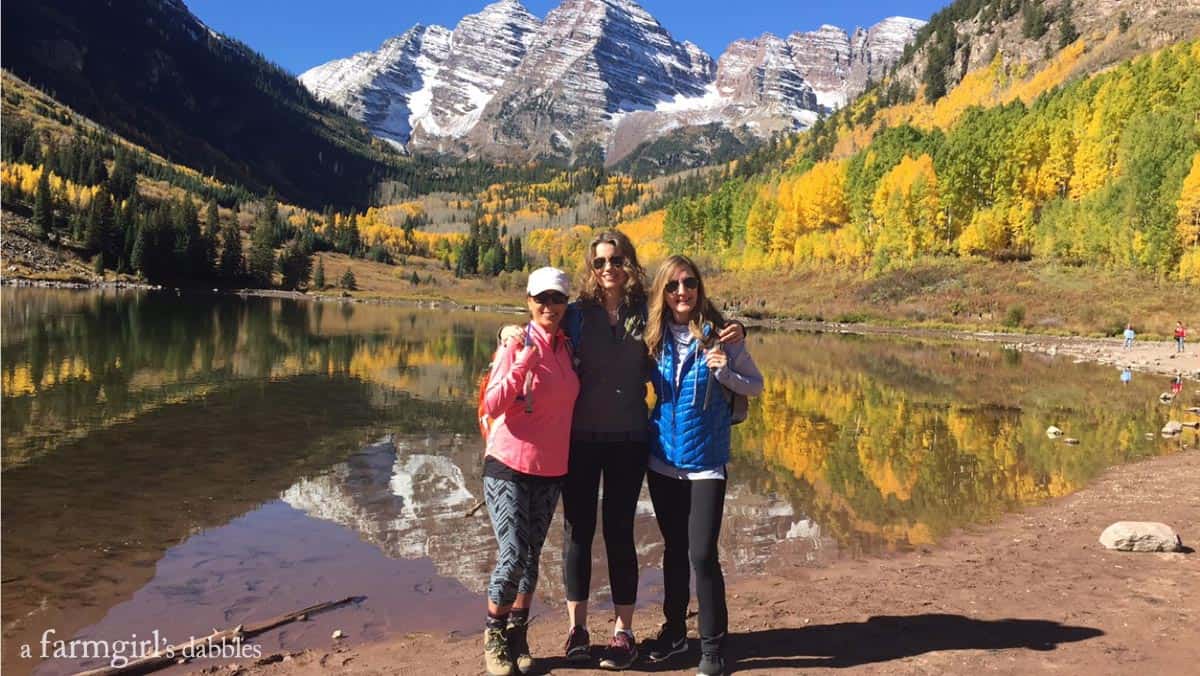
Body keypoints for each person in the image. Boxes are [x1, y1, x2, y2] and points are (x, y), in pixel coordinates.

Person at [502, 231, 743, 669]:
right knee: (577, 533)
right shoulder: (576, 315)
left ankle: (622, 632)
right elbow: (540, 328)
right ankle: (577, 629)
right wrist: (509, 332)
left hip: (631, 440)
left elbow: (692, 314)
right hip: (579, 439)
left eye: (615, 260)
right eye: (599, 262)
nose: (608, 268)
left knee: (618, 532)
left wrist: (735, 332)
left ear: (628, 263)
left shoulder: (645, 314)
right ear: (591, 269)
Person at [641, 255, 763, 676]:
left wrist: (727, 372)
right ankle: (675, 633)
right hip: (661, 461)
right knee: (674, 552)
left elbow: (757, 385)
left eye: (689, 283)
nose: (681, 292)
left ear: (699, 287)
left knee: (702, 554)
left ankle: (712, 649)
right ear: (662, 291)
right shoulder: (650, 335)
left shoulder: (720, 335)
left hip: (706, 463)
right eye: (673, 285)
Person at [480, 267, 580, 676]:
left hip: (550, 468)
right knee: (513, 555)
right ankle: (494, 635)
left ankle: (519, 633)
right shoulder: (517, 343)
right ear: (528, 301)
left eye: (556, 299)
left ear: (565, 304)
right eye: (541, 299)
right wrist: (521, 361)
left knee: (532, 556)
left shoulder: (568, 346)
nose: (548, 306)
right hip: (507, 465)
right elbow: (492, 403)